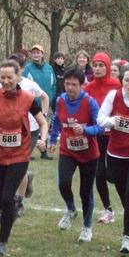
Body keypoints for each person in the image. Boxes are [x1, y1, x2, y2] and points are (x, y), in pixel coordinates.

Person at [0, 59, 48, 257]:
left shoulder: (29, 98)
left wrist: (43, 139)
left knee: (7, 200)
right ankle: (13, 199)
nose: (6, 81)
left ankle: (1, 242)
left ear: (18, 77)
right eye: (2, 78)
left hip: (18, 155)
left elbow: (42, 122)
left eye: (10, 78)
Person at [48, 67, 103, 243]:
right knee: (63, 183)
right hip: (68, 150)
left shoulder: (90, 102)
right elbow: (57, 121)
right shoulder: (60, 100)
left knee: (85, 192)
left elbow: (101, 127)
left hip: (89, 154)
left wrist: (85, 130)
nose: (70, 88)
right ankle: (71, 209)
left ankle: (87, 227)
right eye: (67, 84)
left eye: (74, 84)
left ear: (82, 85)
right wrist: (52, 139)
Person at [97, 64, 129, 254]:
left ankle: (126, 238)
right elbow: (100, 118)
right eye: (126, 80)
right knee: (124, 193)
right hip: (115, 154)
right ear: (122, 81)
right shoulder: (113, 96)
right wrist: (112, 121)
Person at [9, 52, 49, 217]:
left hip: (30, 130)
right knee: (10, 165)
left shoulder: (30, 85)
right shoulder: (3, 85)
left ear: (22, 69)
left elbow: (45, 97)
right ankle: (27, 178)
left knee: (19, 165)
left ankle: (19, 202)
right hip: (11, 130)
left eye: (16, 68)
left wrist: (43, 116)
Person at [84, 52, 121, 224]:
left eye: (101, 65)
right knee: (99, 173)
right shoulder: (88, 88)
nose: (97, 69)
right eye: (95, 65)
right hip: (97, 136)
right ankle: (108, 210)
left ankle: (128, 203)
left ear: (107, 67)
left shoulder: (116, 85)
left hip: (115, 135)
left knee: (112, 175)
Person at [23, 44, 56, 160]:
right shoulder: (27, 68)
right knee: (31, 128)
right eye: (34, 53)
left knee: (44, 125)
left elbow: (54, 84)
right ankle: (27, 152)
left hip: (46, 102)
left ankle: (44, 152)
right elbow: (24, 86)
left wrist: (51, 96)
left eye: (38, 52)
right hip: (33, 104)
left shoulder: (49, 68)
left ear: (42, 54)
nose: (36, 54)